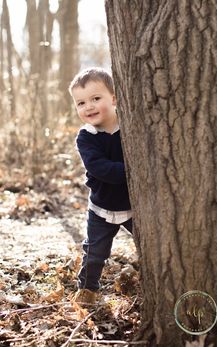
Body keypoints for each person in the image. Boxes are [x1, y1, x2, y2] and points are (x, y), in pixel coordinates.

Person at [69, 67, 132, 304]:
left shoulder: (129, 127)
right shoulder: (86, 137)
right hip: (101, 208)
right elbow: (99, 167)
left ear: (114, 98)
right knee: (95, 252)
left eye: (96, 98)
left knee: (150, 244)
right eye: (81, 103)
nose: (89, 107)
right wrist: (132, 172)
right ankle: (87, 289)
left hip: (133, 206)